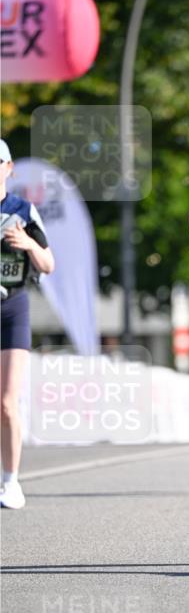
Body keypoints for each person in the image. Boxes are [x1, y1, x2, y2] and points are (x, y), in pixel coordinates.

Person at [1, 139, 55, 508]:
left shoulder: (22, 210)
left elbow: (49, 264)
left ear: (8, 168)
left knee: (6, 401)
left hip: (12, 309)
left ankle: (10, 480)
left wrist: (26, 243)